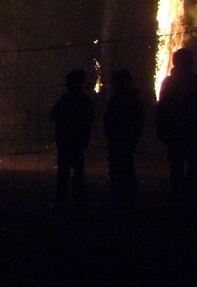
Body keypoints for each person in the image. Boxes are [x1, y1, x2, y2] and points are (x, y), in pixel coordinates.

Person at [155, 48, 197, 206]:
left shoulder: (191, 81)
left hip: (185, 131)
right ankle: (181, 198)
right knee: (182, 166)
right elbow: (162, 107)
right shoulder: (176, 82)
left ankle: (181, 197)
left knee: (183, 167)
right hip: (180, 131)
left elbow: (161, 108)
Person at [49, 69, 94, 210]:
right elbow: (89, 120)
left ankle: (62, 199)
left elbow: (53, 115)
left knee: (64, 171)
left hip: (67, 140)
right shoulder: (84, 101)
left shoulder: (67, 100)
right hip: (77, 141)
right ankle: (78, 199)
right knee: (77, 170)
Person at [103, 69, 144, 206]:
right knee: (123, 164)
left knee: (122, 165)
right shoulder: (130, 98)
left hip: (122, 137)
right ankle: (124, 194)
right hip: (122, 137)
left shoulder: (124, 99)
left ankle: (122, 194)